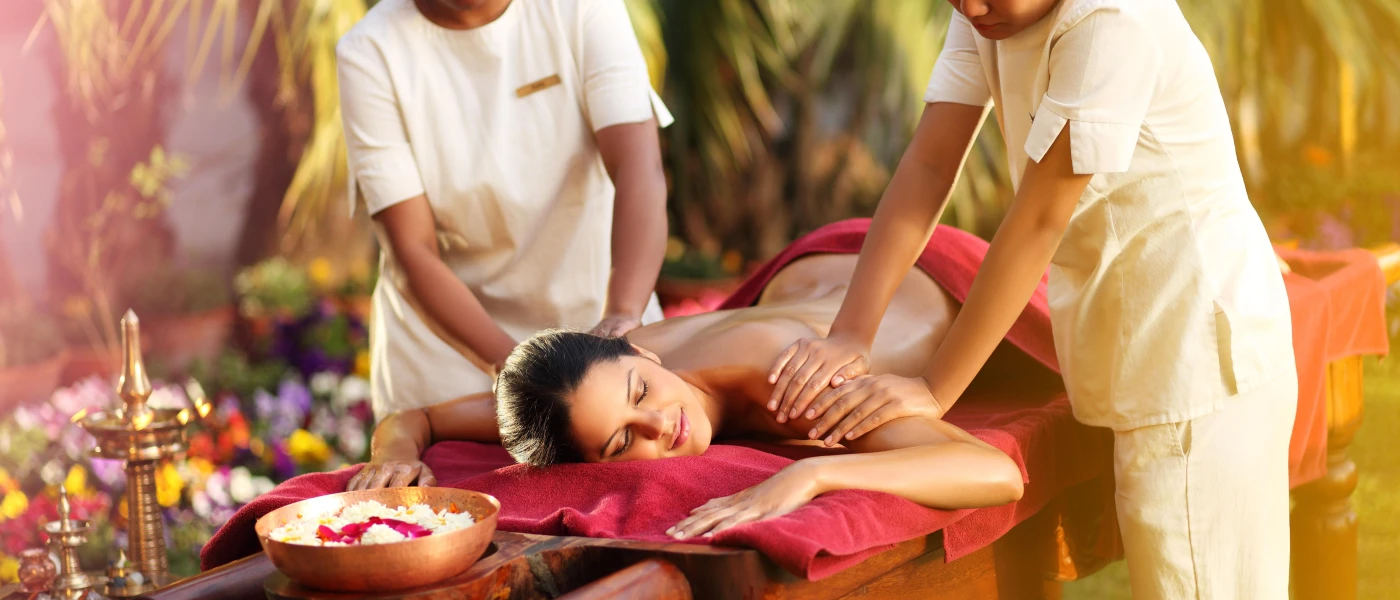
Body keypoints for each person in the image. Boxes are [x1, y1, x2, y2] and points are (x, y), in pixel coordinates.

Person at [764, 1, 1296, 598]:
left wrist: (934, 390)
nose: (969, 6)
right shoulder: (985, 11)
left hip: (1196, 361)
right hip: (1145, 344)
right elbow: (931, 162)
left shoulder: (1111, 22)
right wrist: (851, 334)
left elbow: (1040, 216)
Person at [350, 245, 1029, 538]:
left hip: (917, 275)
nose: (659, 424)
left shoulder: (791, 384)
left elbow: (994, 471)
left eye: (641, 389)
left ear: (642, 350)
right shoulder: (590, 385)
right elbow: (416, 417)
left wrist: (816, 474)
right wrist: (397, 451)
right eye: (622, 441)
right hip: (812, 284)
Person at [336, 0, 671, 420]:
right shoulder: (370, 51)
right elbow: (411, 250)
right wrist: (520, 375)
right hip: (449, 364)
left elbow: (638, 166)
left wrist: (622, 314)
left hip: (601, 341)